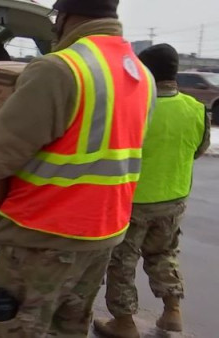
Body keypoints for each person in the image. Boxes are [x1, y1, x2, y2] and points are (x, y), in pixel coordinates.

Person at [0, 0, 156, 336]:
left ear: (66, 15)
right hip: (102, 236)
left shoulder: (62, 68)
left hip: (44, 237)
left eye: (55, 17)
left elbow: (0, 149)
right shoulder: (139, 73)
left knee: (14, 329)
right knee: (68, 329)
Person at [94, 44, 210, 338]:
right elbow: (198, 149)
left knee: (122, 262)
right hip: (174, 198)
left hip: (133, 201)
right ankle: (172, 312)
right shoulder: (195, 108)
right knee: (164, 253)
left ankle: (124, 323)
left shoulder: (133, 107)